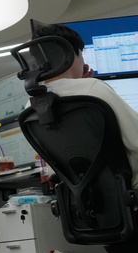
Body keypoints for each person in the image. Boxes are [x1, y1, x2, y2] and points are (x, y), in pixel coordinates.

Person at [32, 23, 138, 187]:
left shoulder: (31, 106)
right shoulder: (93, 88)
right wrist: (85, 86)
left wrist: (79, 84)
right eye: (81, 54)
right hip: (129, 188)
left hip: (86, 195)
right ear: (69, 54)